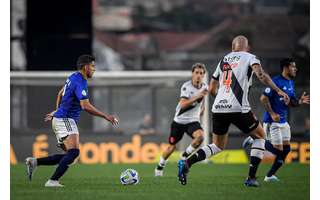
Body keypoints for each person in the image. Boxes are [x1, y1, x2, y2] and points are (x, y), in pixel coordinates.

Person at [177, 35, 290, 187]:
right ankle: (251, 178)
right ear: (247, 47)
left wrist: (224, 100)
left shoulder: (224, 60)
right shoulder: (251, 57)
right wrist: (278, 90)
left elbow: (211, 88)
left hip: (218, 108)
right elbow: (261, 75)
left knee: (217, 146)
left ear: (232, 47)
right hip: (239, 108)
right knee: (260, 136)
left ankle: (187, 163)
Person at [25, 55, 119, 187]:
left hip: (60, 118)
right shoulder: (80, 81)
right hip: (65, 119)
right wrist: (105, 116)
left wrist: (57, 111)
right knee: (74, 153)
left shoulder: (72, 76)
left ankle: (35, 162)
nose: (94, 69)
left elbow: (60, 93)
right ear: (85, 66)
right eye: (92, 66)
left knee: (70, 156)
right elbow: (85, 106)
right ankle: (52, 181)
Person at [242, 58, 309, 182]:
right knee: (279, 151)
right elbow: (263, 98)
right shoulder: (275, 82)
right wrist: (272, 113)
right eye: (293, 66)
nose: (295, 69)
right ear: (286, 68)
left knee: (286, 150)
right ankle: (254, 139)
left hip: (283, 122)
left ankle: (269, 176)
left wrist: (299, 101)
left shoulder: (290, 83)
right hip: (272, 122)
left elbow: (291, 101)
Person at [154, 63, 208, 177]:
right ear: (192, 74)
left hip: (192, 121)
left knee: (200, 137)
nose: (199, 75)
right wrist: (197, 97)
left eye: (201, 73)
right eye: (196, 73)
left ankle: (184, 157)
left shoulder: (205, 87)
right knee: (171, 147)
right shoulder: (186, 86)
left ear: (204, 75)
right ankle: (160, 166)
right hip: (179, 121)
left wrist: (202, 109)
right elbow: (183, 104)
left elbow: (202, 102)